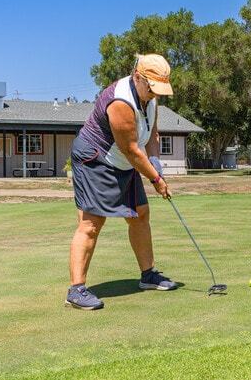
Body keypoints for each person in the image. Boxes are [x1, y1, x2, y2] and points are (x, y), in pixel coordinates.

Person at [65, 54, 177, 310]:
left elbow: (150, 134)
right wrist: (156, 179)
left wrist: (156, 162)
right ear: (137, 77)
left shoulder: (150, 98)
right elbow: (131, 149)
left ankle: (148, 275)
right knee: (91, 223)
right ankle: (76, 290)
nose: (153, 94)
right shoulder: (121, 101)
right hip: (96, 159)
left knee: (140, 214)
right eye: (151, 87)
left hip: (123, 160)